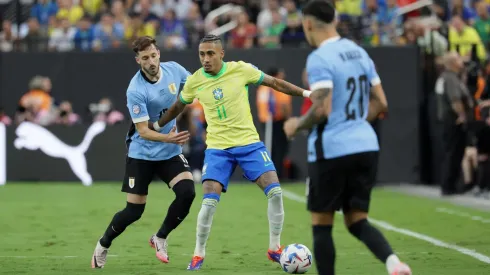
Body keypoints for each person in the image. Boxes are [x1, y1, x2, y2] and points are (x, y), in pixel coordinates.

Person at [152, 34, 312, 270]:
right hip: (217, 149)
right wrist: (158, 125)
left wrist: (307, 94)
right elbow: (178, 105)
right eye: (202, 54)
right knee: (208, 202)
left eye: (210, 54)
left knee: (276, 192)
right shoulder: (195, 80)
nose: (205, 59)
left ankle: (274, 248)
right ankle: (198, 253)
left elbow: (275, 83)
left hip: (249, 144)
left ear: (221, 54)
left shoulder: (241, 70)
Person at [282, 1, 412, 275]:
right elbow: (381, 103)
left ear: (307, 24)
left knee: (321, 225)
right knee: (357, 221)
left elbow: (322, 108)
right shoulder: (359, 52)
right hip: (366, 145)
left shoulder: (319, 58)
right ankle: (394, 263)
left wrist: (297, 125)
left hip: (332, 149)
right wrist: (354, 124)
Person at [91, 36, 196, 269]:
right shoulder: (135, 90)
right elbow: (143, 130)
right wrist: (169, 136)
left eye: (153, 55)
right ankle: (103, 244)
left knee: (187, 192)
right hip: (142, 153)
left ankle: (160, 237)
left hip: (169, 151)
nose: (151, 61)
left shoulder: (175, 70)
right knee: (134, 211)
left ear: (159, 53)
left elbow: (197, 85)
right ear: (138, 60)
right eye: (145, 58)